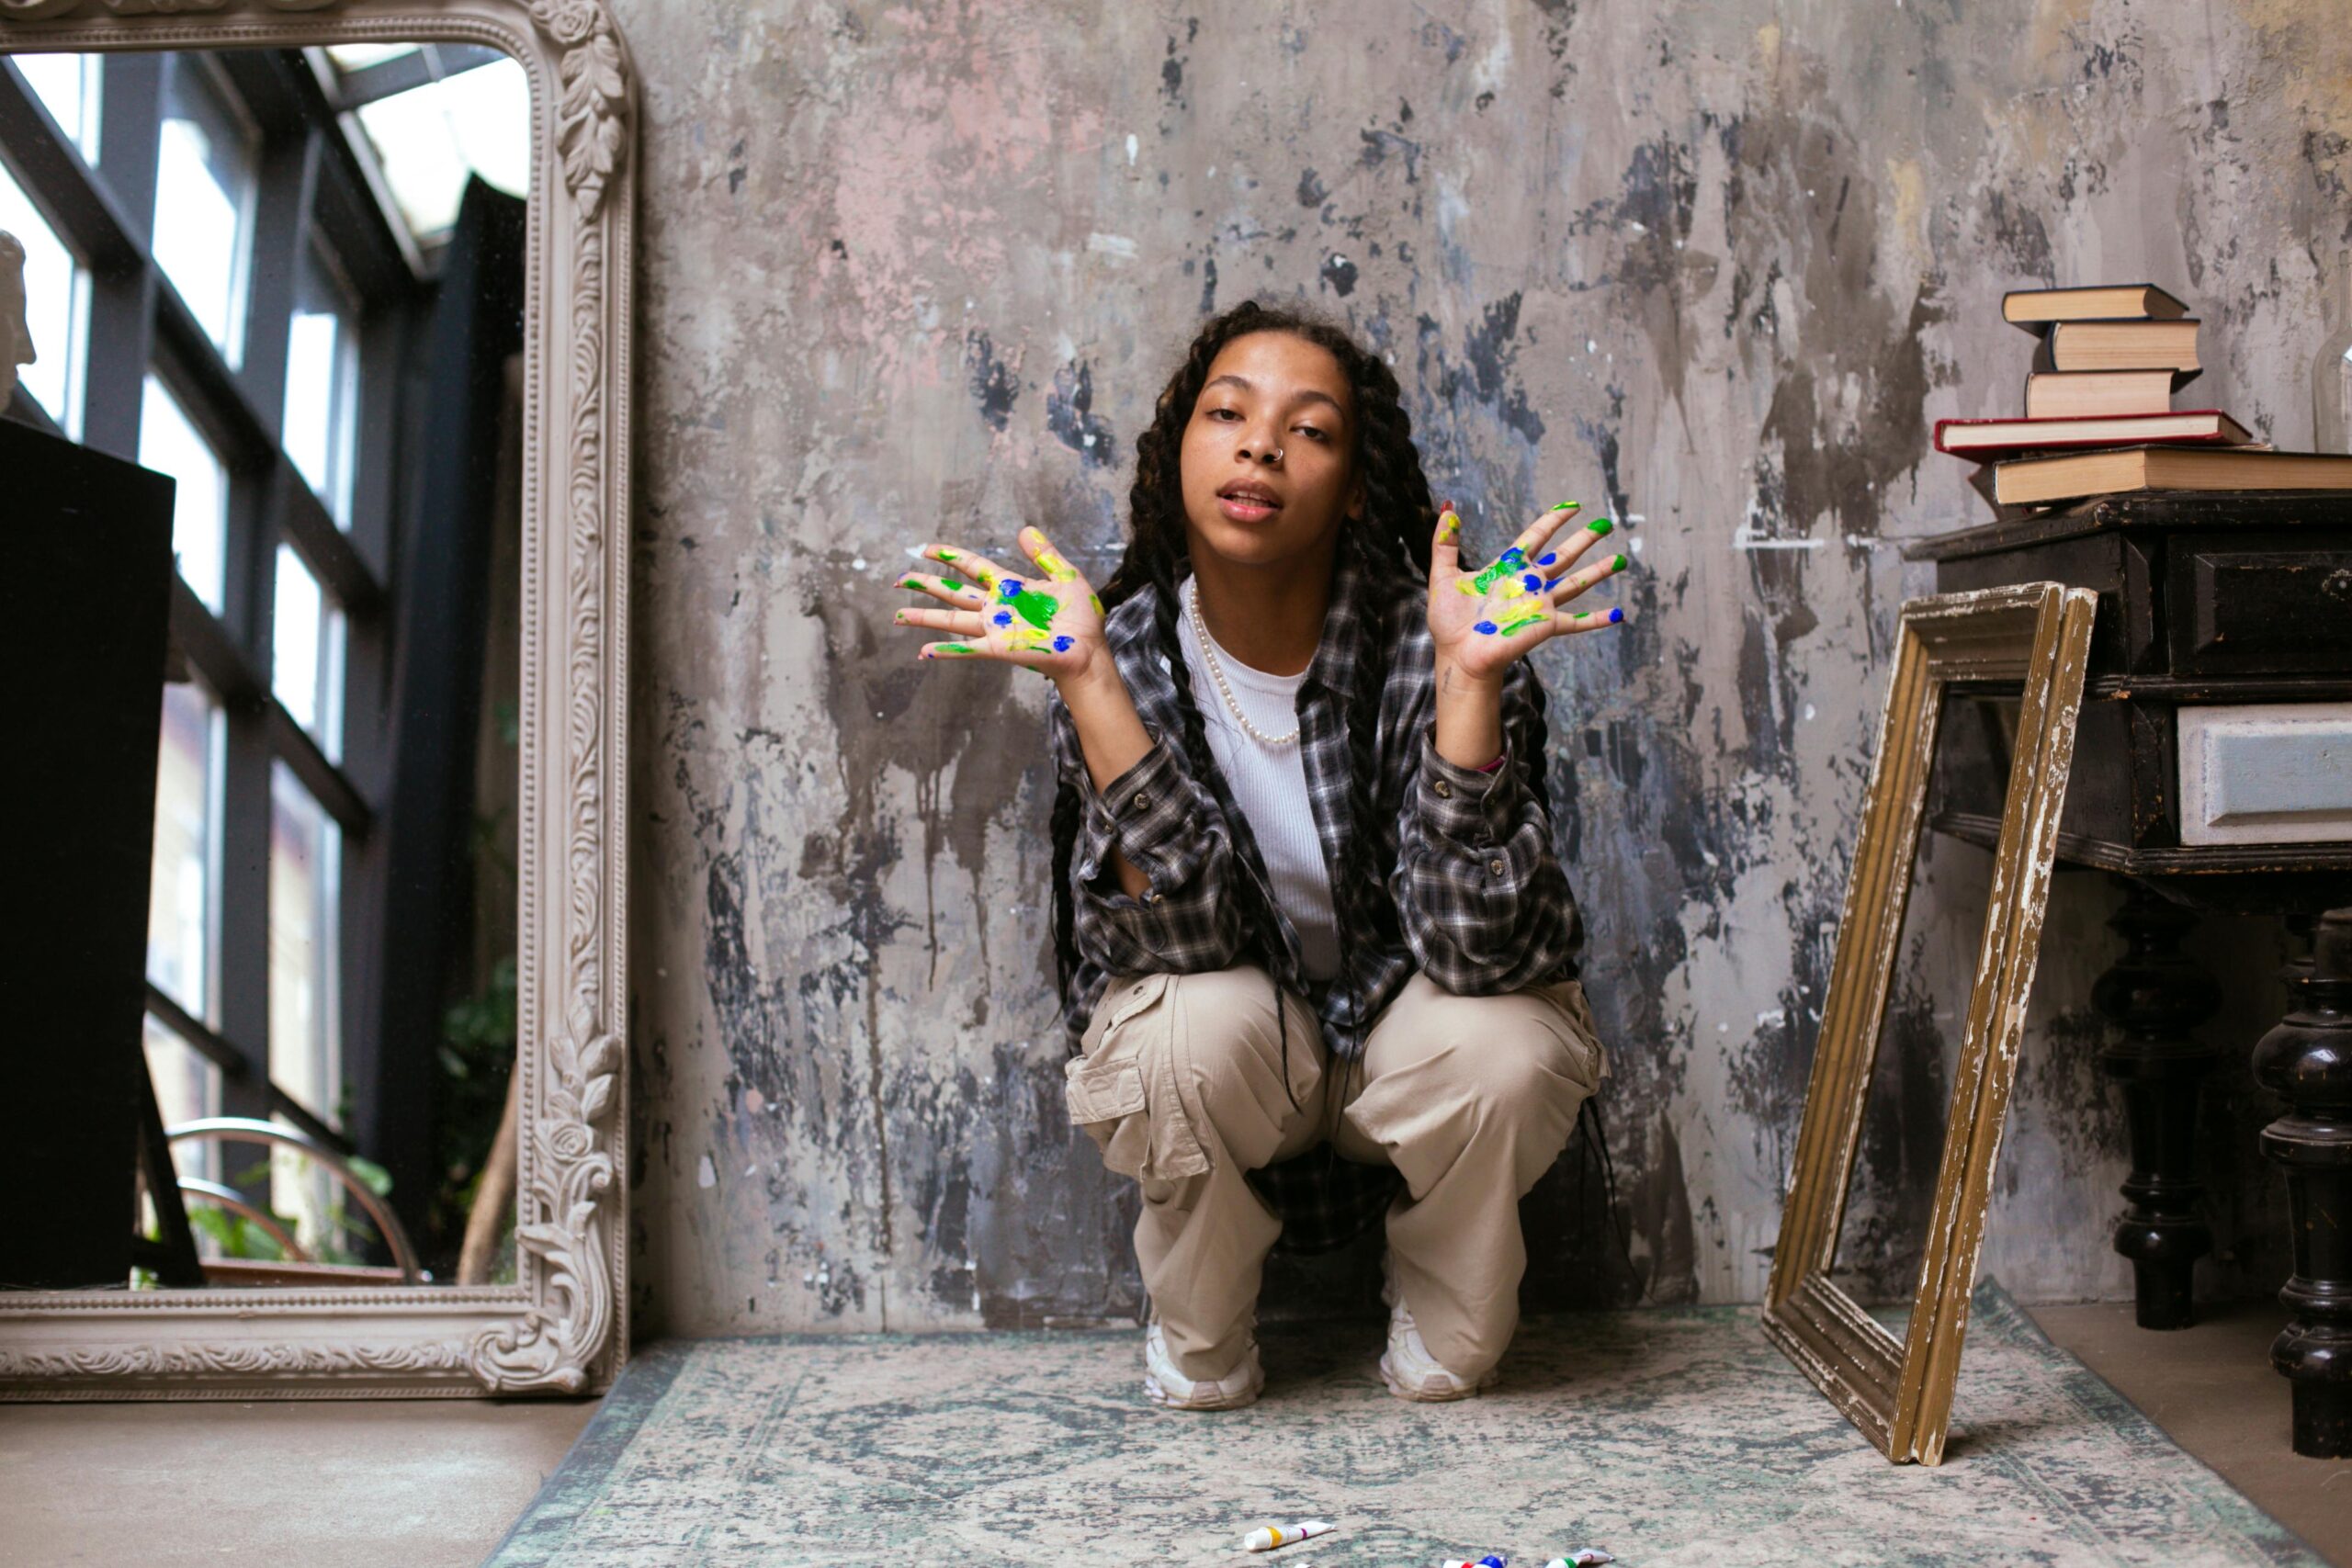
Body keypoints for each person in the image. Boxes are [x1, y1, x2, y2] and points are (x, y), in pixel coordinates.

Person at [896, 299, 1624, 1408]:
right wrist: (1089, 685)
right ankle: (1202, 1330)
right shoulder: (1114, 649)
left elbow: (1480, 953)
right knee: (1174, 1033)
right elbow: (1180, 944)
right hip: (1248, 1048)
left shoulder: (1443, 638)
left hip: (1405, 1039)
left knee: (1509, 1045)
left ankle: (1444, 1305)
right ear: (1175, 454)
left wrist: (1471, 685)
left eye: (1312, 430)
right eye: (1226, 413)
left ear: (1357, 485)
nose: (1259, 445)